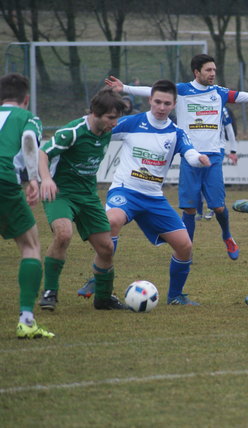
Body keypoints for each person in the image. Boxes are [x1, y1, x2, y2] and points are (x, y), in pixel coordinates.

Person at [105, 54, 248, 261]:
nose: (212, 74)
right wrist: (125, 88)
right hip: (189, 154)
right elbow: (153, 91)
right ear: (196, 72)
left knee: (217, 206)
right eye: (208, 70)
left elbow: (246, 95)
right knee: (189, 207)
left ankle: (227, 235)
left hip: (213, 156)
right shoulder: (181, 91)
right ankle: (187, 249)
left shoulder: (219, 93)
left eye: (214, 70)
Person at [82, 80, 210, 306]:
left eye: (167, 103)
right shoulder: (132, 123)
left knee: (185, 245)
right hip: (125, 191)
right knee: (112, 221)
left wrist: (198, 160)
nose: (161, 107)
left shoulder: (176, 133)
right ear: (150, 100)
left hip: (153, 198)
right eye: (158, 101)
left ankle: (176, 296)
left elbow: (189, 152)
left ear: (174, 105)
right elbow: (98, 126)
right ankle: (97, 279)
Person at [38, 88, 128, 311]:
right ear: (95, 113)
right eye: (110, 118)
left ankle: (103, 299)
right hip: (60, 193)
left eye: (117, 118)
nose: (115, 123)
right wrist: (46, 179)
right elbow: (43, 152)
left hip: (87, 195)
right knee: (63, 234)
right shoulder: (73, 131)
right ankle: (49, 292)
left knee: (106, 248)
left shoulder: (107, 130)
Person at [0, 73, 54, 339]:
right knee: (30, 246)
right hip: (4, 182)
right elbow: (30, 142)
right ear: (26, 97)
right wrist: (33, 178)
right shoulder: (27, 117)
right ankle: (26, 320)